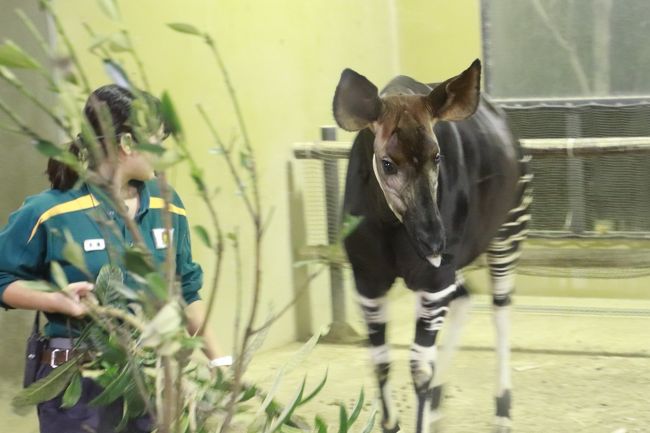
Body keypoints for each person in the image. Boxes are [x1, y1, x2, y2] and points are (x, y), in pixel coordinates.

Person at [0, 84, 228, 433]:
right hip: (75, 387)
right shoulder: (50, 211)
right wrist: (53, 301)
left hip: (148, 380)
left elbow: (185, 290)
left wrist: (221, 363)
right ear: (126, 145)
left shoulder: (168, 204)